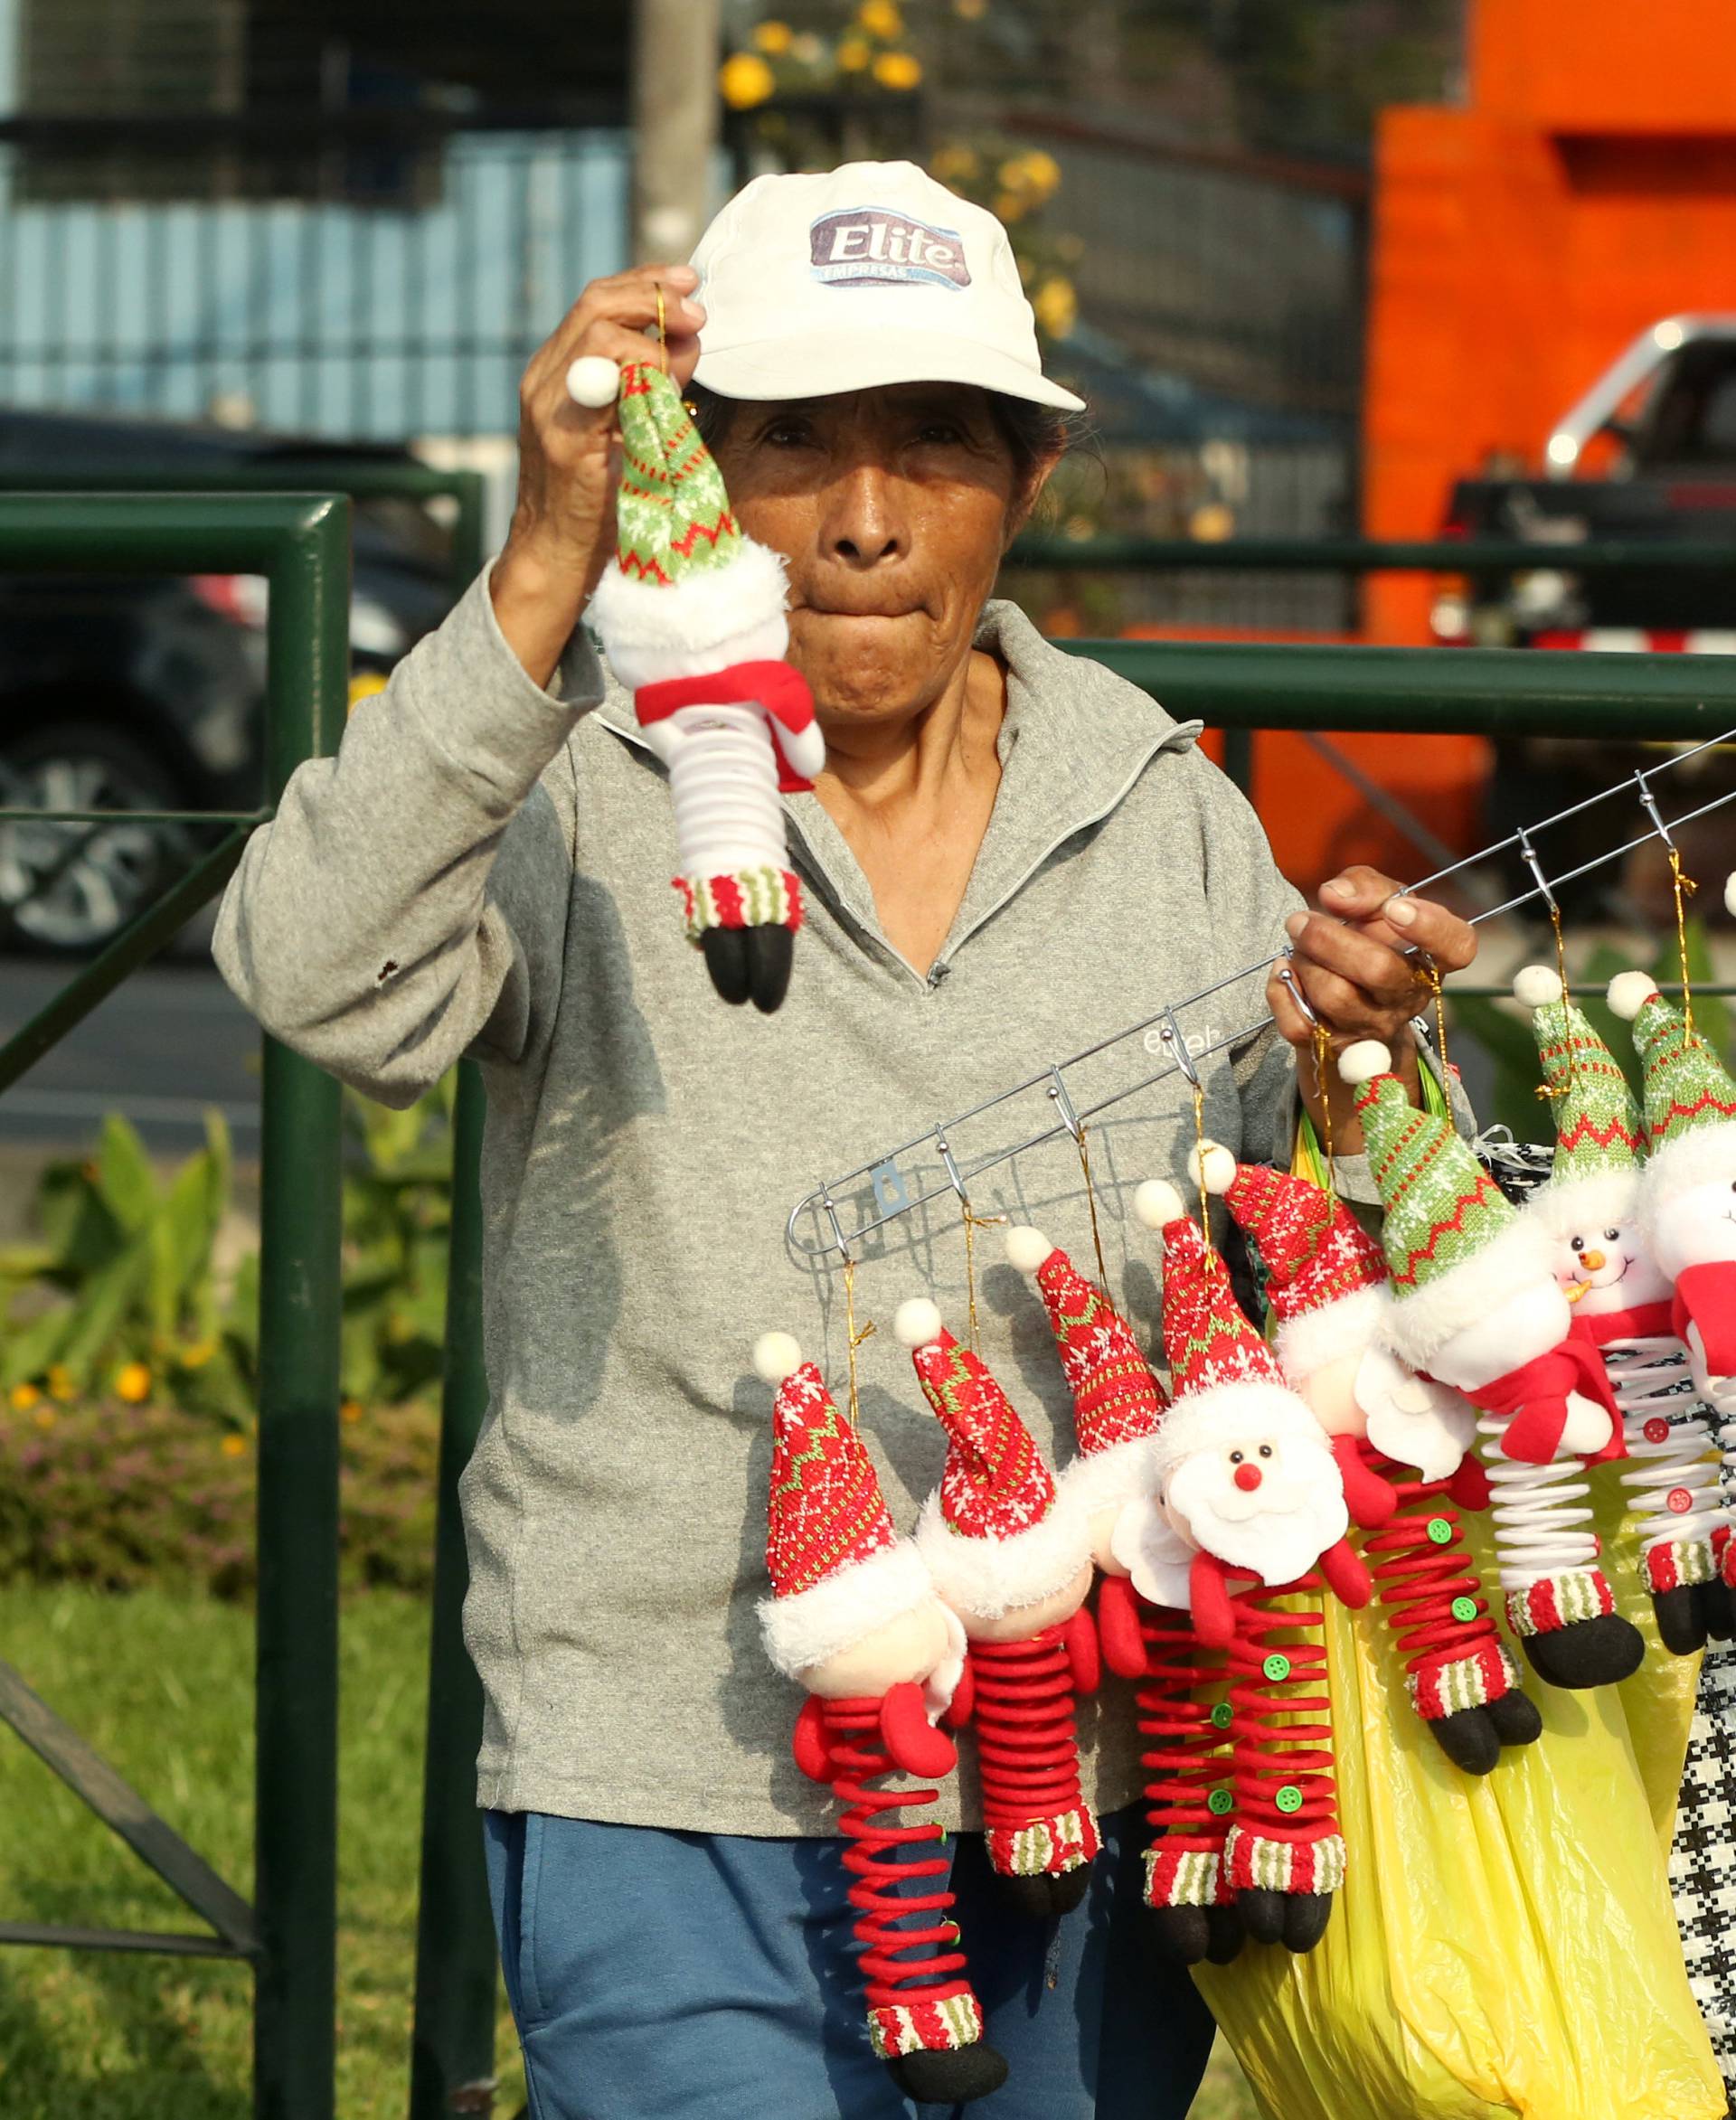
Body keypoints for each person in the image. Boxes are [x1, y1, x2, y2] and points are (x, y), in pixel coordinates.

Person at [213, 161, 1476, 2120]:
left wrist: (1372, 1064)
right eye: (790, 447)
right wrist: (544, 563)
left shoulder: (1159, 809)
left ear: (1026, 486)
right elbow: (310, 970)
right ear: (688, 474)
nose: (867, 520)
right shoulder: (587, 792)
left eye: (934, 448)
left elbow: (1309, 1276)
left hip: (1090, 1770)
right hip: (669, 1769)